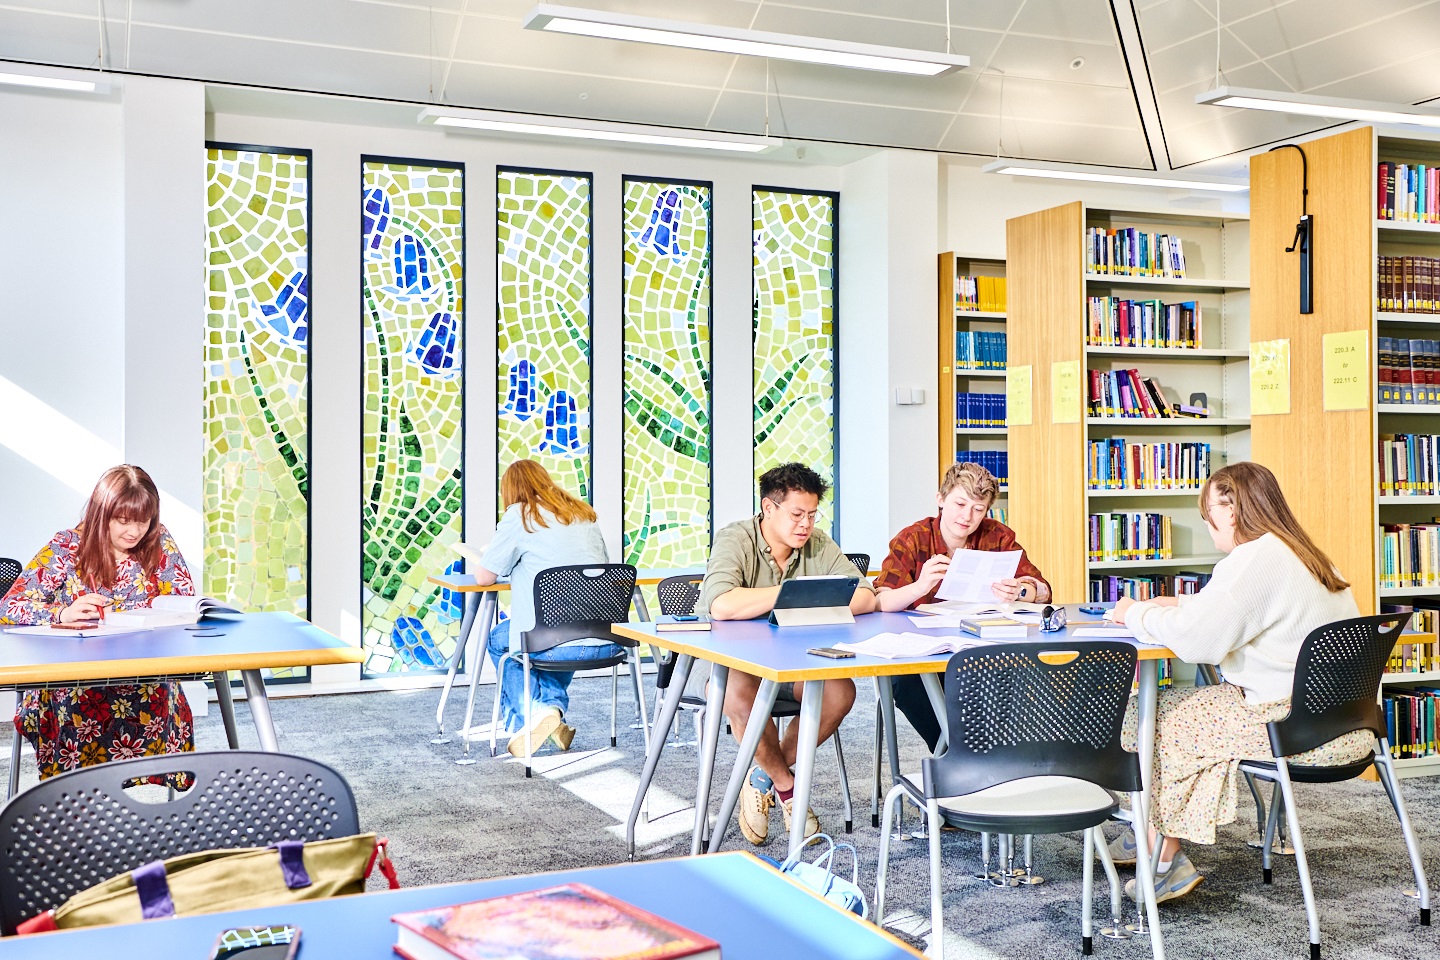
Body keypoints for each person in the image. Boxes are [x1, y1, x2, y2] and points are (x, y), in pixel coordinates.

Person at [1106, 461, 1372, 904]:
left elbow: (1198, 642)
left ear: (1229, 510)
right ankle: (1151, 833)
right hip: (1347, 723)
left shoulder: (1252, 560)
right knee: (1187, 718)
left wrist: (1133, 612)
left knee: (1145, 714)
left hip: (1286, 724)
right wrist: (1186, 602)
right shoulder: (1304, 553)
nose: (1209, 524)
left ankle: (1160, 854)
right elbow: (1245, 608)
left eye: (1209, 511)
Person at [698, 462, 877, 846]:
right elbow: (722, 605)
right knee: (736, 693)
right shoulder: (735, 539)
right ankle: (787, 787)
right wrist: (791, 595)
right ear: (768, 508)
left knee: (840, 692)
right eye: (797, 514)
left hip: (796, 661)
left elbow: (865, 596)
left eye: (812, 515)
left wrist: (811, 598)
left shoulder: (818, 543)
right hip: (735, 663)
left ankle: (762, 775)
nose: (805, 524)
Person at [0, 465, 196, 782]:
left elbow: (183, 597)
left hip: (145, 671)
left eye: (143, 520)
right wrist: (62, 613)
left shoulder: (159, 541)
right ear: (101, 513)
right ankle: (76, 791)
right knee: (79, 701)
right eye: (123, 520)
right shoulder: (66, 547)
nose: (134, 531)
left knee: (162, 690)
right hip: (76, 678)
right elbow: (9, 606)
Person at [874, 461, 1050, 751]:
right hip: (923, 650)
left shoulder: (997, 536)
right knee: (907, 685)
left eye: (978, 509)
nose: (967, 516)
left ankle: (988, 755)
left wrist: (1021, 590)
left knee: (1017, 678)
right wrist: (920, 587)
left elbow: (1043, 590)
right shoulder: (913, 538)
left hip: (982, 646)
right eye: (960, 503)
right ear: (940, 500)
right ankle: (957, 755)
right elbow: (880, 601)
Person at [475, 460, 620, 759]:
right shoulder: (583, 513)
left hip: (554, 643)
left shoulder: (520, 514)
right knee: (552, 633)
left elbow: (484, 577)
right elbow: (605, 565)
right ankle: (551, 712)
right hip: (603, 639)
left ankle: (528, 721)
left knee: (502, 641)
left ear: (511, 490)